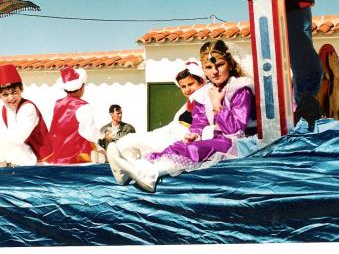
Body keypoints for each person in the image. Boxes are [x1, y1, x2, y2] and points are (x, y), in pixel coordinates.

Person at [110, 40, 256, 192]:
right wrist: (195, 134)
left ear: (230, 64)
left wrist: (217, 105)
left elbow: (235, 130)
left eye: (219, 65)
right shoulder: (206, 92)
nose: (214, 72)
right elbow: (199, 122)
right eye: (209, 67)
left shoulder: (239, 88)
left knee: (196, 149)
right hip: (216, 138)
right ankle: (132, 172)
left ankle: (150, 174)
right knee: (178, 146)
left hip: (238, 143)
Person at [106, 58, 206, 183]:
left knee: (141, 145)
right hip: (170, 133)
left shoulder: (206, 100)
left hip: (181, 139)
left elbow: (202, 125)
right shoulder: (188, 104)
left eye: (191, 84)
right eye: (183, 87)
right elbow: (174, 124)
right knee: (129, 140)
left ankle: (134, 171)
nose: (187, 90)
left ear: (201, 81)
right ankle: (124, 172)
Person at [0, 64, 52, 166]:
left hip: (39, 161)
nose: (11, 98)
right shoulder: (4, 109)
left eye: (14, 92)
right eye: (5, 94)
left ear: (21, 89)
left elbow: (17, 138)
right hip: (20, 157)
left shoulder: (28, 108)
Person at [45, 66, 104, 164]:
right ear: (81, 88)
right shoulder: (83, 106)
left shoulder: (58, 103)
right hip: (75, 156)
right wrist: (102, 135)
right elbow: (89, 133)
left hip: (55, 155)